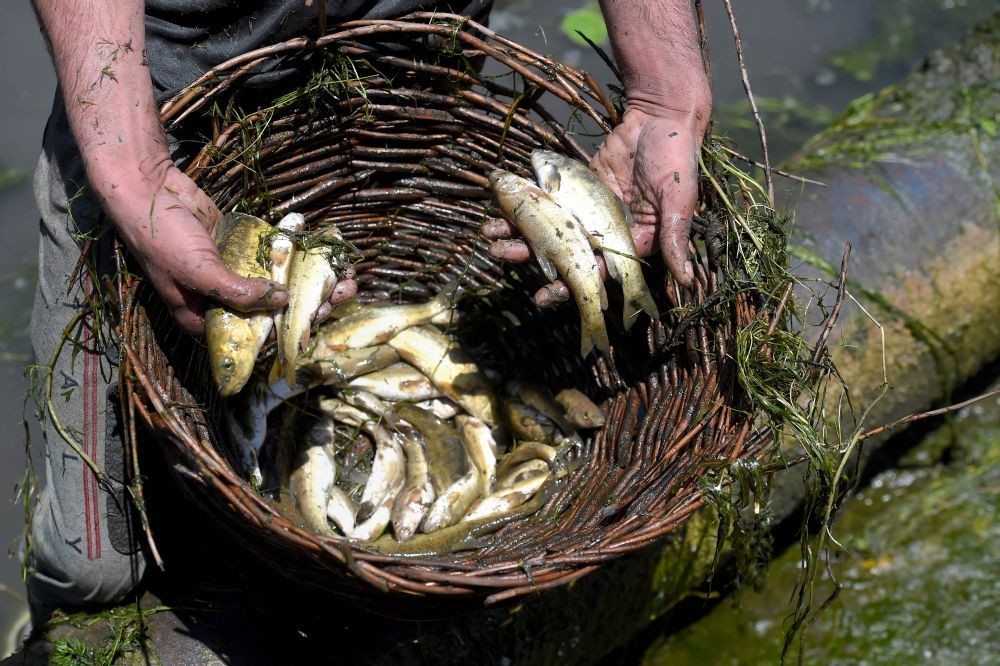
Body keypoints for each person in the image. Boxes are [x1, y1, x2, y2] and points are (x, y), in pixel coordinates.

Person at [24, 0, 711, 625]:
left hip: (419, 74)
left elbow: (663, 91)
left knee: (266, 527)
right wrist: (135, 169)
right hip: (156, 108)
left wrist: (663, 91)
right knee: (94, 568)